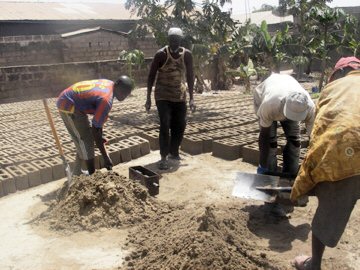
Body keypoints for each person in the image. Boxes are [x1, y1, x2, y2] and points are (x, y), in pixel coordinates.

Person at [291, 57, 360, 270]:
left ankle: (314, 265)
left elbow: (320, 135)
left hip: (346, 149)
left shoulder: (332, 89)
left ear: (339, 73)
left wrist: (306, 182)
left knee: (329, 206)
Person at [253, 73, 315, 216]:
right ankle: (270, 189)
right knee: (271, 145)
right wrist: (263, 167)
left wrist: (309, 169)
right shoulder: (270, 104)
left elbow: (314, 140)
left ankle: (289, 181)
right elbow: (263, 138)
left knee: (295, 143)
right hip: (267, 96)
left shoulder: (310, 108)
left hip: (287, 91)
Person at [56, 76, 133, 176]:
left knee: (83, 139)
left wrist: (100, 137)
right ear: (117, 85)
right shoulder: (106, 100)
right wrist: (105, 157)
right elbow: (95, 131)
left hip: (73, 101)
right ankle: (92, 176)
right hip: (69, 104)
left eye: (126, 94)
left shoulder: (109, 83)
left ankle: (76, 171)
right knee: (86, 141)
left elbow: (97, 128)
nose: (123, 96)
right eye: (122, 92)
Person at [145, 27, 195, 170]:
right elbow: (151, 76)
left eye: (177, 39)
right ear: (169, 39)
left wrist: (192, 98)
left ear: (180, 40)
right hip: (162, 95)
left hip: (179, 95)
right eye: (172, 39)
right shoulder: (161, 54)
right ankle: (163, 157)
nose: (174, 42)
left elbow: (190, 76)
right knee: (165, 123)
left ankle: (174, 151)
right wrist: (148, 98)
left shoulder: (187, 55)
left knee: (180, 124)